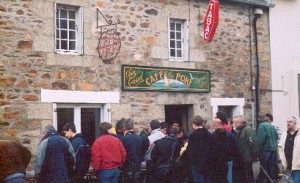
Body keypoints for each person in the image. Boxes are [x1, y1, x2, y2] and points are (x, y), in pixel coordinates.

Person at [181, 115, 218, 183]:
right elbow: (214, 150)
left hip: (197, 165)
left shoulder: (193, 135)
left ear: (194, 124)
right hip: (209, 165)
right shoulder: (209, 135)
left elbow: (191, 151)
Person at [233, 115, 258, 183]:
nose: (234, 124)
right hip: (242, 157)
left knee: (248, 175)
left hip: (247, 158)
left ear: (240, 122)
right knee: (243, 176)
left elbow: (253, 143)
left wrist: (255, 156)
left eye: (235, 123)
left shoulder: (247, 129)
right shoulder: (240, 130)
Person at [212, 118, 239, 183]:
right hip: (229, 159)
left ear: (215, 125)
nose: (212, 126)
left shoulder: (213, 135)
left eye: (213, 124)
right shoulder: (230, 134)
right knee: (229, 177)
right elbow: (235, 147)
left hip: (218, 160)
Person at [256, 114, 278, 183]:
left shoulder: (261, 126)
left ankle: (260, 180)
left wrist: (258, 150)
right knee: (270, 166)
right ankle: (270, 180)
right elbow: (276, 136)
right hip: (273, 149)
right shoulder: (271, 125)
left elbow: (261, 139)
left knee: (263, 166)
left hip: (266, 149)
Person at [278, 115, 300, 182]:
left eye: (290, 122)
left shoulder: (299, 134)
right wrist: (282, 158)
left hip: (298, 165)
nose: (288, 123)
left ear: (295, 123)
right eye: (287, 122)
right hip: (288, 165)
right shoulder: (285, 134)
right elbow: (280, 147)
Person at [121, 118, 144, 183]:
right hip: (137, 165)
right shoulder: (139, 138)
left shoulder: (124, 138)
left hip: (127, 165)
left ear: (125, 127)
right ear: (133, 126)